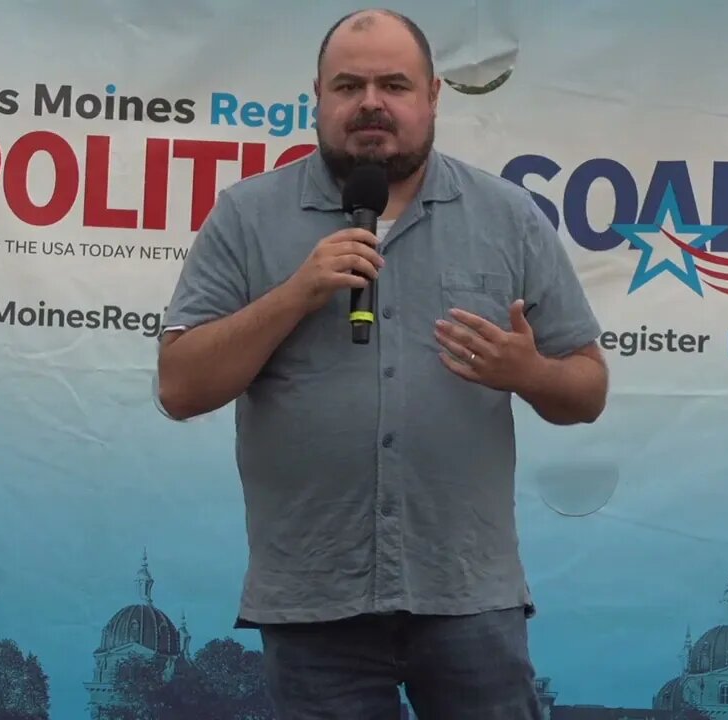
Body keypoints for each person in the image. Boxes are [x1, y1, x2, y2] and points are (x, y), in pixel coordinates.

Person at [155, 7, 608, 718]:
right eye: (349, 86)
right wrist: (295, 295)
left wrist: (531, 373)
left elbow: (587, 391)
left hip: (466, 597)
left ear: (433, 97)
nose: (371, 103)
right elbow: (179, 388)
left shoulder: (508, 217)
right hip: (314, 600)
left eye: (394, 84)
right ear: (318, 97)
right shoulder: (247, 216)